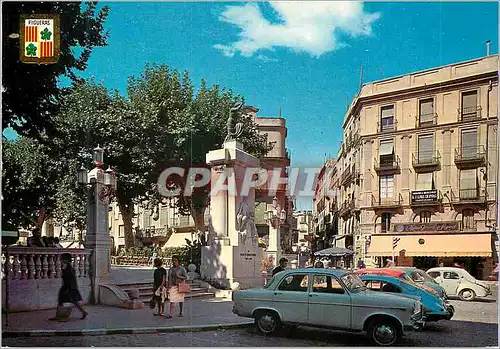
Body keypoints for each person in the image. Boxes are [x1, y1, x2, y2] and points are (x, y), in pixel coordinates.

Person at [50, 253, 87, 321]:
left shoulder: (69, 268)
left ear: (67, 260)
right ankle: (58, 316)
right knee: (62, 301)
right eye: (62, 259)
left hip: (70, 287)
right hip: (66, 287)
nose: (62, 260)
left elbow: (70, 279)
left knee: (73, 301)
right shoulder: (65, 267)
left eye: (63, 259)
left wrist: (68, 288)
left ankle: (81, 313)